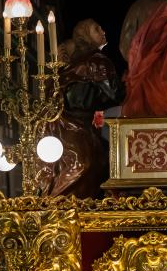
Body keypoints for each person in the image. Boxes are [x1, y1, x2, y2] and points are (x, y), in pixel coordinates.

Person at [36, 19, 124, 198]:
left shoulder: (78, 63)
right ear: (84, 36)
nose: (103, 31)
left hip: (63, 124)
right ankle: (62, 206)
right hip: (73, 124)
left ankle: (64, 204)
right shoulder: (97, 61)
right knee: (81, 165)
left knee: (88, 162)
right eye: (96, 28)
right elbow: (116, 94)